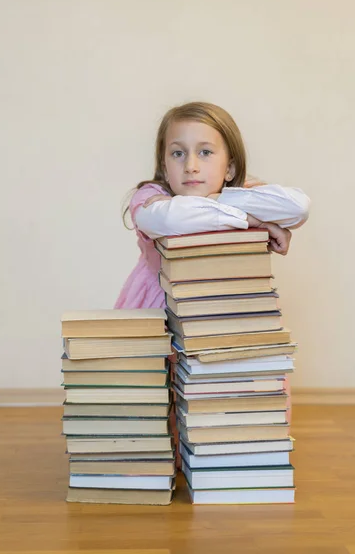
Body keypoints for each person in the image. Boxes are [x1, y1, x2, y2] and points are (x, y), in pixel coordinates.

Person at [115, 101, 310, 442]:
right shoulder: (151, 198)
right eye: (177, 154)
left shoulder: (241, 191)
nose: (191, 166)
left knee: (224, 383)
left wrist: (224, 199)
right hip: (157, 307)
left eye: (205, 152)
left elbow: (297, 206)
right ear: (163, 162)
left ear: (230, 166)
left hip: (226, 310)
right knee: (160, 388)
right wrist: (250, 219)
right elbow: (171, 219)